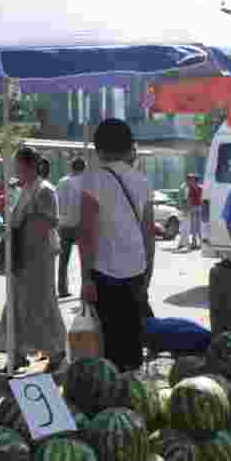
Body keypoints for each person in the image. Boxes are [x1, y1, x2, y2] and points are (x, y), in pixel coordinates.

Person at [79, 118, 155, 373]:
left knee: (108, 345)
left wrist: (86, 278)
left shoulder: (93, 179)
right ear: (128, 146)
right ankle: (132, 398)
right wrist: (148, 274)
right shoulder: (142, 181)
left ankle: (110, 398)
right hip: (136, 271)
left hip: (104, 273)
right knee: (132, 344)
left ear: (99, 148)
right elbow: (148, 235)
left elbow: (86, 233)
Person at [0, 148, 66, 372]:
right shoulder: (24, 189)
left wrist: (20, 229)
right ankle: (17, 353)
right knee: (17, 305)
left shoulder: (44, 190)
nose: (15, 171)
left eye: (18, 166)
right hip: (21, 258)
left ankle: (56, 351)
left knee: (42, 306)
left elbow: (48, 224)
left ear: (29, 166)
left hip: (37, 259)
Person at [55, 156, 86, 298]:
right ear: (83, 168)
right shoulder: (86, 182)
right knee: (85, 260)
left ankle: (62, 289)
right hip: (80, 225)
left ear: (71, 167)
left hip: (63, 225)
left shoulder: (61, 182)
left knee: (63, 260)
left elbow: (57, 204)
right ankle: (84, 290)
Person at [185, 173, 203, 249]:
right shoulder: (201, 187)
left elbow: (189, 199)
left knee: (194, 227)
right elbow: (203, 198)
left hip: (194, 208)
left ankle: (194, 243)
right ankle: (201, 243)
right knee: (199, 226)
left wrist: (188, 208)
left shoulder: (191, 188)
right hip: (200, 208)